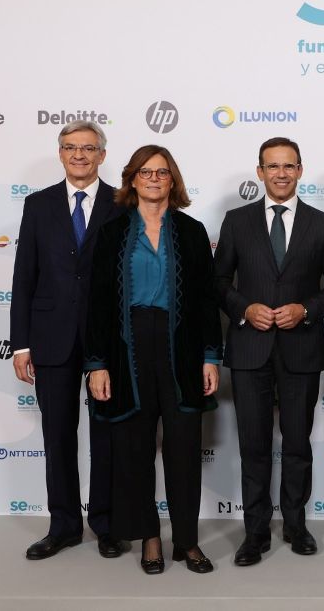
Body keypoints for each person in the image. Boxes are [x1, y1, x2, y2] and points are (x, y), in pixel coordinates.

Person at [84, 145, 221, 575]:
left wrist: (210, 357)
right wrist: (96, 364)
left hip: (181, 349)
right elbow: (97, 304)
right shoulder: (110, 232)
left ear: (173, 180)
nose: (154, 178)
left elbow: (205, 302)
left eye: (162, 172)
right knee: (134, 450)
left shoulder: (193, 231)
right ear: (132, 179)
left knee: (183, 449)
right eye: (146, 172)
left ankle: (188, 541)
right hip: (127, 351)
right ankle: (149, 538)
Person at [214, 136, 324, 566]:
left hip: (301, 350)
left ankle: (295, 524)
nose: (280, 173)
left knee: (297, 444)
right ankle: (254, 533)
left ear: (300, 170)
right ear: (259, 172)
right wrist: (244, 308)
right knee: (253, 445)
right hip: (249, 348)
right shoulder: (236, 222)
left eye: (288, 166)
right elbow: (217, 283)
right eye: (272, 166)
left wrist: (306, 309)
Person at [10, 120, 124, 560]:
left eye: (88, 148)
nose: (79, 155)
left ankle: (107, 524)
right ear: (60, 153)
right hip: (50, 336)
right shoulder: (38, 204)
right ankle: (63, 526)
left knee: (106, 435)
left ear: (102, 155)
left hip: (106, 341)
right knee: (57, 435)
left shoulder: (121, 202)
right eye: (70, 147)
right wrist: (21, 344)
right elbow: (24, 276)